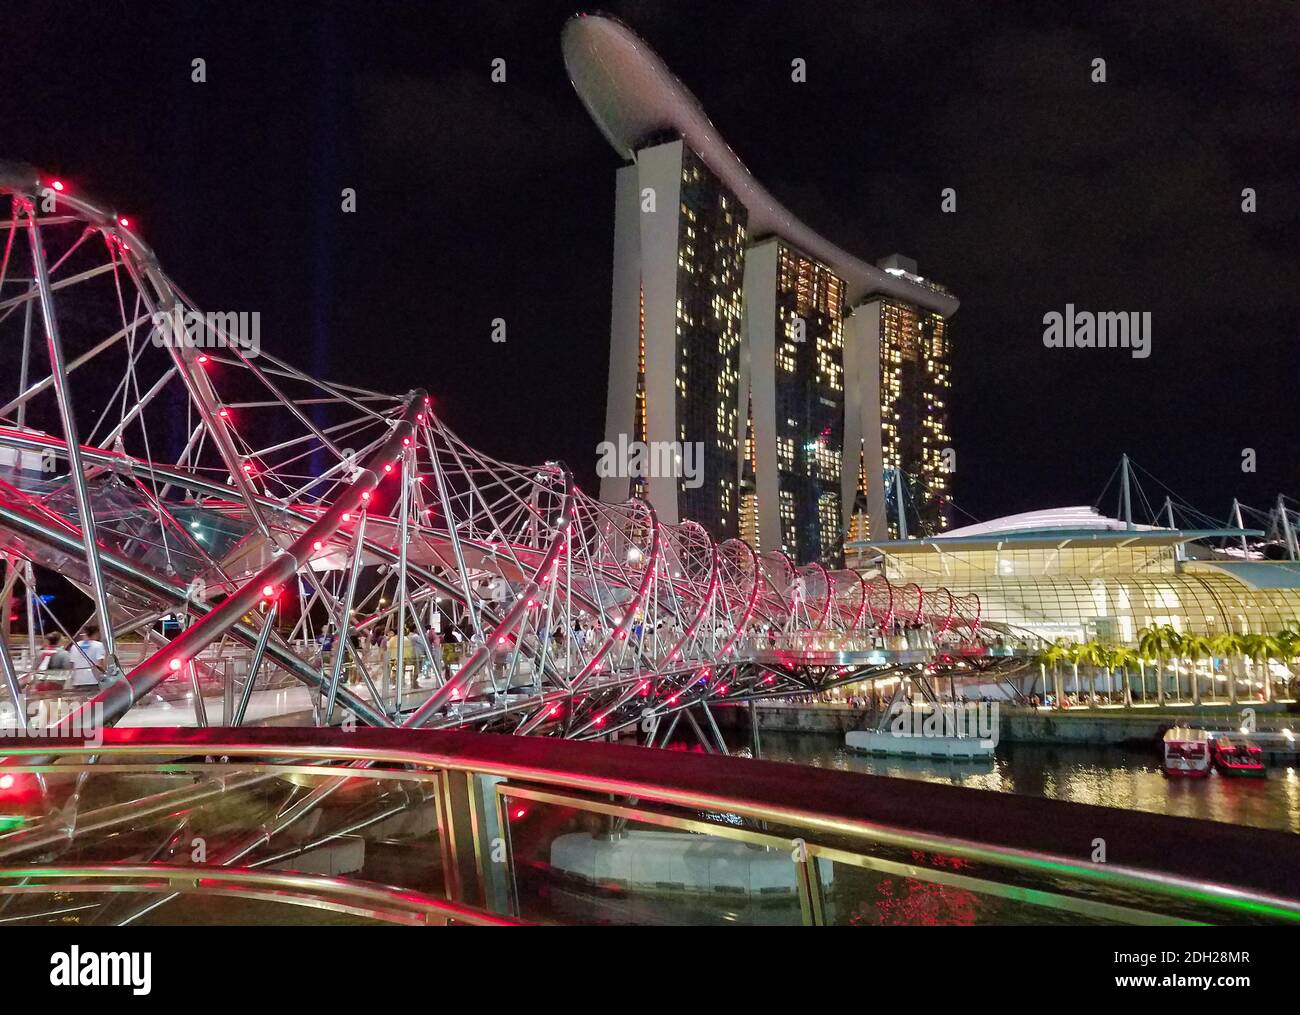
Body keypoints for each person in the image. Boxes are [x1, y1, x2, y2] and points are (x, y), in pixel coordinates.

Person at [69, 625, 107, 690]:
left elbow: (72, 664)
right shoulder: (98, 645)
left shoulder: (75, 645)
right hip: (93, 680)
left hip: (78, 680)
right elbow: (100, 664)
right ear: (96, 634)